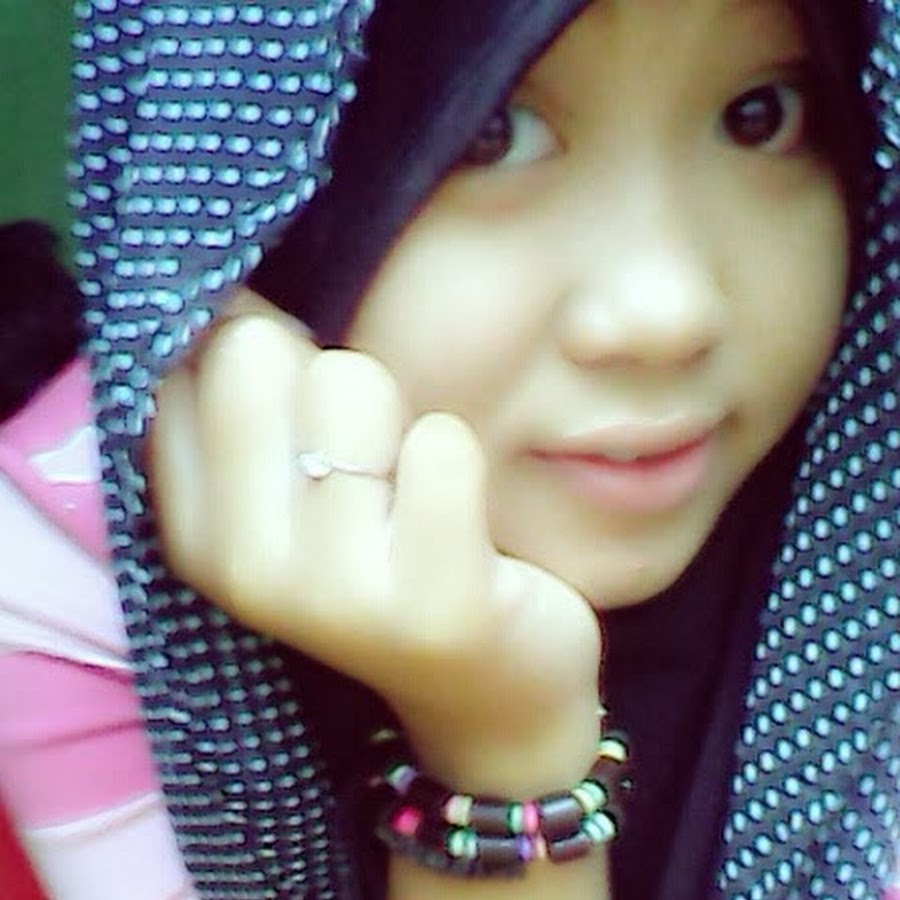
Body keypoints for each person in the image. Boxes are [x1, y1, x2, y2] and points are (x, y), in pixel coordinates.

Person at [0, 1, 896, 899]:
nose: (668, 311)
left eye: (761, 116)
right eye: (493, 135)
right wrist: (503, 750)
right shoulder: (80, 564)